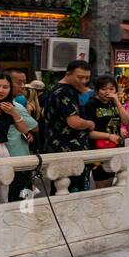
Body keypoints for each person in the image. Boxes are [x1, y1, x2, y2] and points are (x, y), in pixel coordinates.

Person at [40, 60, 96, 190]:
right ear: (68, 74)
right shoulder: (66, 91)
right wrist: (89, 123)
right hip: (69, 150)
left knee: (60, 189)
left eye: (87, 78)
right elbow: (74, 122)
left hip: (56, 147)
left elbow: (43, 113)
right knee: (72, 192)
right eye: (80, 77)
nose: (83, 81)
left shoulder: (55, 88)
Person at [0, 70, 40, 202]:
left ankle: (20, 219)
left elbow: (25, 129)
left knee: (9, 193)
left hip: (4, 151)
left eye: (5, 87)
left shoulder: (11, 107)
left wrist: (14, 113)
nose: (1, 90)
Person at [83, 75, 126, 187]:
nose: (108, 92)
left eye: (111, 89)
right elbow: (88, 133)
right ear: (97, 90)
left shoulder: (113, 103)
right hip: (99, 150)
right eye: (103, 89)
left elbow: (128, 121)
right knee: (103, 184)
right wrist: (109, 136)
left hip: (114, 148)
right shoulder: (91, 104)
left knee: (112, 182)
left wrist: (117, 101)